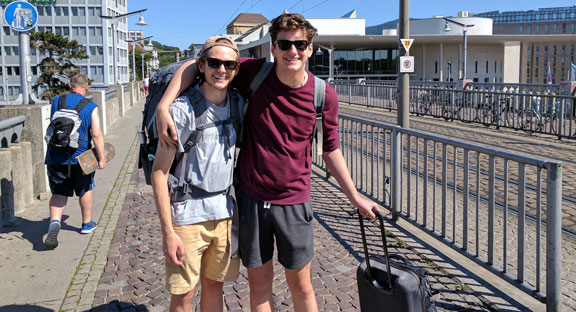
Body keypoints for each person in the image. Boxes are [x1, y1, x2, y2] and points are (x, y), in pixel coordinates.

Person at [156, 13, 378, 311]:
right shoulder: (255, 73)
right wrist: (163, 104)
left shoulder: (324, 96)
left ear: (311, 48)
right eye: (284, 44)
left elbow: (330, 150)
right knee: (259, 288)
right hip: (251, 200)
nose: (293, 51)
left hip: (294, 202)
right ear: (273, 48)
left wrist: (355, 197)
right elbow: (195, 65)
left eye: (300, 44)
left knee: (302, 286)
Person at [151, 36, 242, 312]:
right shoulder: (181, 111)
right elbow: (158, 173)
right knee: (184, 295)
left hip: (225, 214)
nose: (222, 70)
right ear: (201, 65)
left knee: (215, 287)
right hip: (187, 217)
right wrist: (168, 232)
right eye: (214, 63)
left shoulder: (238, 104)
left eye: (229, 64)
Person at [44, 74, 105, 250]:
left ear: (70, 85)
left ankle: (55, 222)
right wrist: (101, 158)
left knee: (58, 192)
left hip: (56, 156)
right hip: (82, 157)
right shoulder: (91, 106)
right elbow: (96, 135)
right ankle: (87, 223)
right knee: (85, 188)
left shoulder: (57, 101)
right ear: (87, 88)